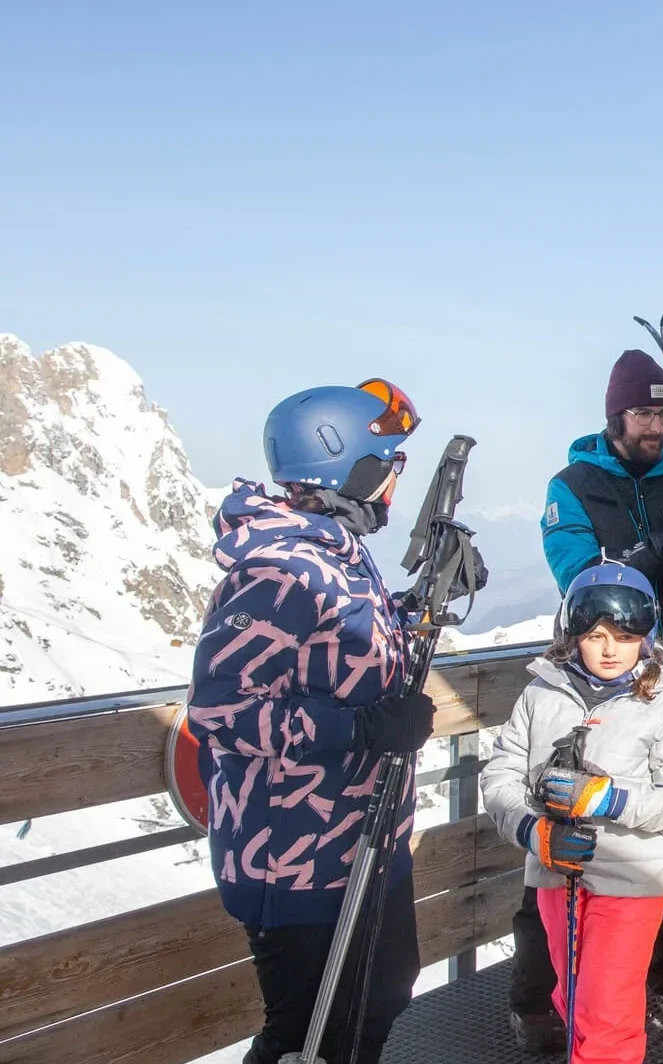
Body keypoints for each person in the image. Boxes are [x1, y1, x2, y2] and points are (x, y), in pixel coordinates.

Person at [187, 379, 438, 1064]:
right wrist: (359, 729)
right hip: (295, 858)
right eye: (387, 462)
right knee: (309, 1037)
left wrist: (414, 612)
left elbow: (335, 655)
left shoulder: (333, 553)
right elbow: (223, 711)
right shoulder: (276, 571)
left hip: (360, 840)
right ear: (345, 464)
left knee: (377, 1003)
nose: (394, 478)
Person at [510, 348, 663, 1047]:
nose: (656, 426)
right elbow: (578, 577)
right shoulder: (573, 486)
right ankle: (541, 1002)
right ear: (615, 415)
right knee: (560, 839)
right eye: (644, 412)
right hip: (590, 685)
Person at [481, 564, 663, 1064]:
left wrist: (607, 799)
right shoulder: (541, 694)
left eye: (626, 637)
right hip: (554, 870)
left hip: (632, 877)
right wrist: (534, 830)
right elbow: (500, 778)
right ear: (573, 635)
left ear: (646, 639)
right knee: (573, 995)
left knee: (606, 1010)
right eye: (597, 636)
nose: (610, 650)